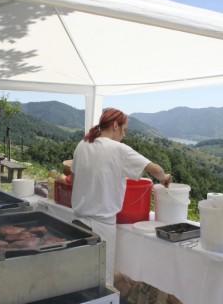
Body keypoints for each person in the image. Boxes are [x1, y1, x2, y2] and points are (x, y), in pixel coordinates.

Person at [70, 108, 172, 286]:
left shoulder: (82, 144)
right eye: (124, 130)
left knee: (79, 275)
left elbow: (74, 180)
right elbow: (155, 170)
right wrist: (164, 178)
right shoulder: (118, 149)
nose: (123, 136)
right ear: (115, 125)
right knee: (102, 280)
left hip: (78, 221)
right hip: (101, 226)